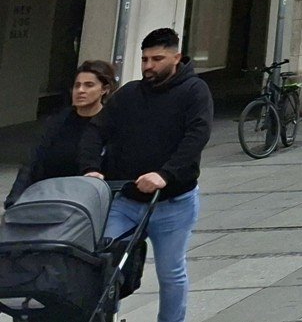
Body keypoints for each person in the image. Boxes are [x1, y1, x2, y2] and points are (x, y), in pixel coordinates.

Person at [79, 28, 212, 322]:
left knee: (170, 273)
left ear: (176, 57)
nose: (149, 65)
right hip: (125, 201)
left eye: (157, 58)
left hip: (172, 203)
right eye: (144, 59)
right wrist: (91, 169)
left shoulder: (194, 91)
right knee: (102, 265)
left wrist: (165, 175)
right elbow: (96, 130)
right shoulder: (129, 94)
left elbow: (196, 136)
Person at [7, 60, 115, 206]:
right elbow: (32, 162)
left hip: (86, 204)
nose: (80, 90)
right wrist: (14, 199)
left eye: (89, 85)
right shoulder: (57, 122)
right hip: (46, 195)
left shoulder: (111, 123)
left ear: (104, 89)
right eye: (77, 85)